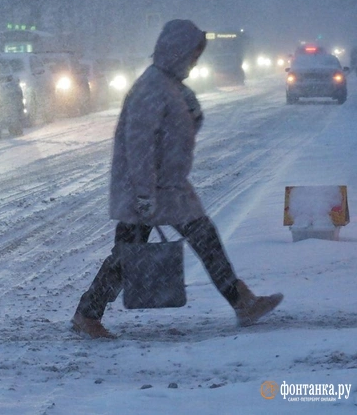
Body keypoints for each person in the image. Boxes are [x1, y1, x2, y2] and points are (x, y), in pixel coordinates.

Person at [72, 19, 283, 339]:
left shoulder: (170, 86)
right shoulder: (152, 88)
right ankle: (87, 315)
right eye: (193, 54)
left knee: (200, 240)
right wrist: (144, 195)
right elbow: (139, 145)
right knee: (128, 257)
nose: (195, 61)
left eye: (198, 55)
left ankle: (242, 301)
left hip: (169, 188)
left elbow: (176, 134)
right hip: (147, 189)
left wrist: (191, 115)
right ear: (177, 51)